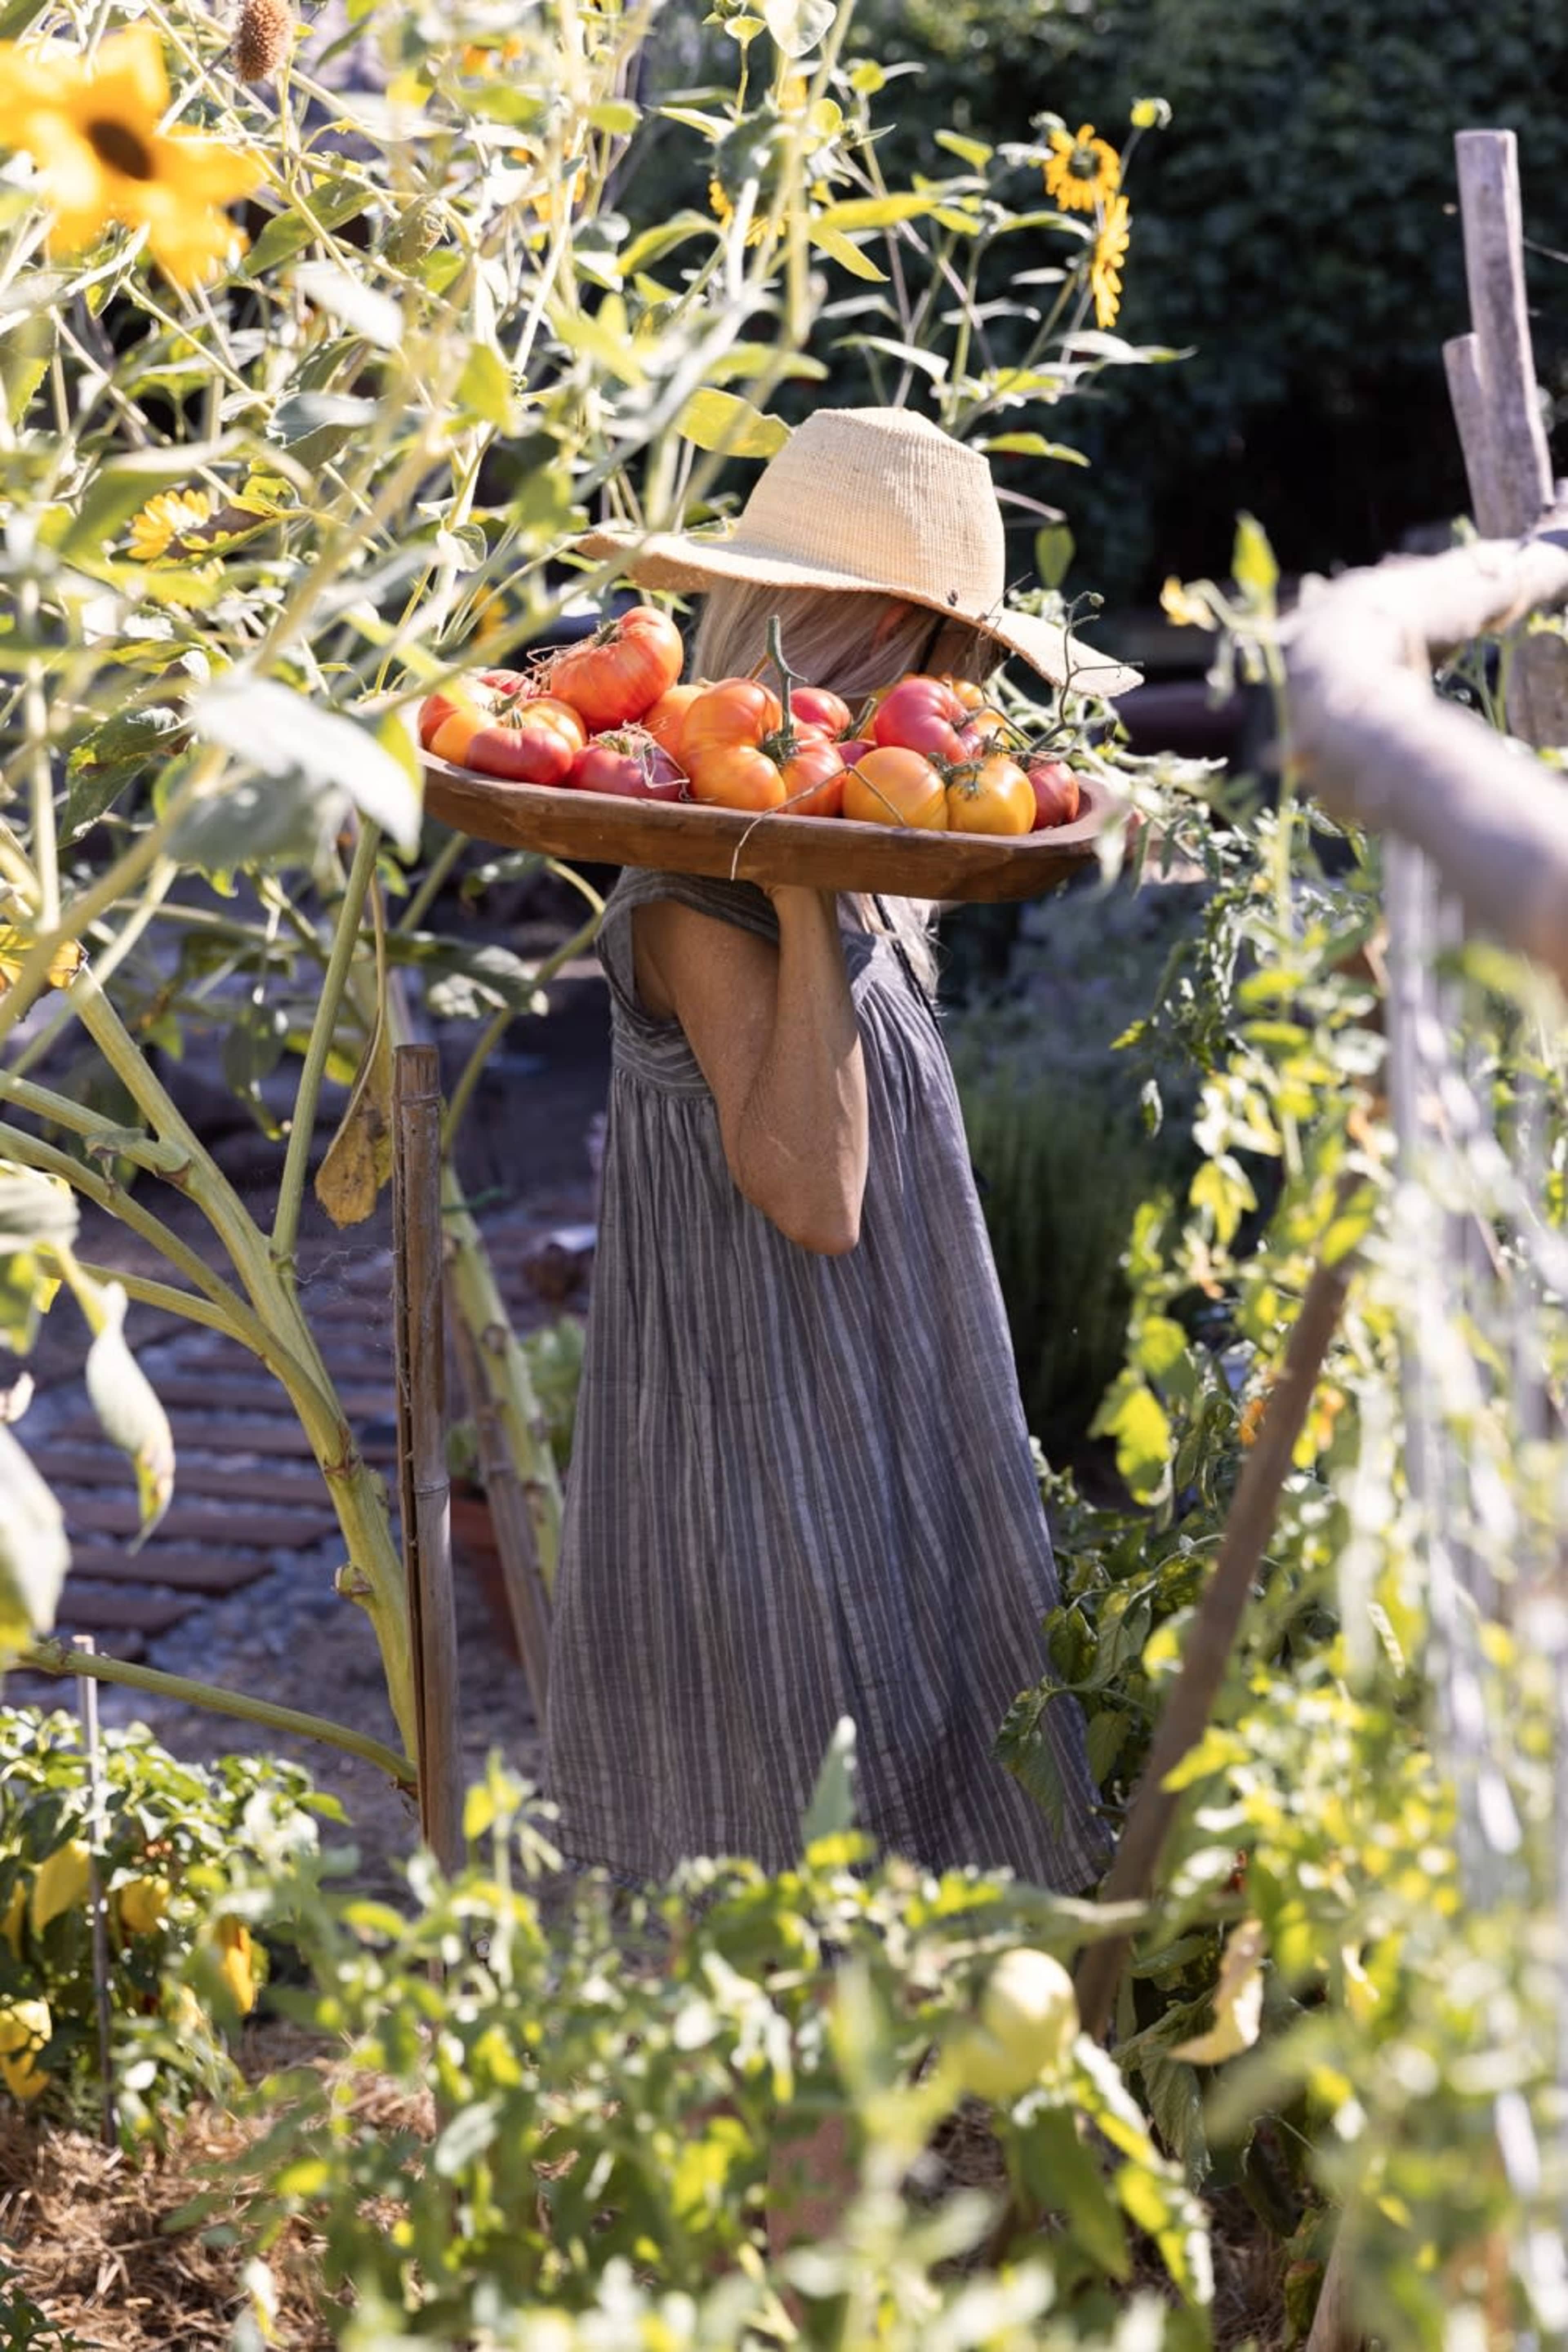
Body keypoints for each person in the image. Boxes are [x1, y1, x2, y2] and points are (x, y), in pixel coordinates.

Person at [544, 408, 1136, 1910]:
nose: (974, 701)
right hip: (761, 1440)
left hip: (885, 1402)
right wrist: (804, 867)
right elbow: (813, 1197)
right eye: (965, 657)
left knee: (920, 1878)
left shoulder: (877, 818)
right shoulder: (702, 887)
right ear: (890, 634)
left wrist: (834, 841)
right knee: (798, 1890)